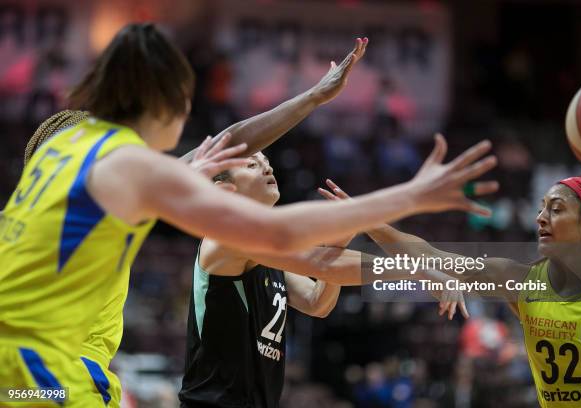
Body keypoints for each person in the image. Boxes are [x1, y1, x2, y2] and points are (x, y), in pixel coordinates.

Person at [0, 23, 496, 406]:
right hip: (48, 376)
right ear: (166, 101)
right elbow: (290, 238)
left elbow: (233, 147)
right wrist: (409, 198)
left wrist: (315, 97)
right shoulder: (128, 166)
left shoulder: (73, 159)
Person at [180, 152, 469, 408]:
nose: (267, 167)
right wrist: (418, 269)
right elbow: (322, 265)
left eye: (267, 162)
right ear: (224, 189)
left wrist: (339, 244)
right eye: (252, 164)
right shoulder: (225, 237)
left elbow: (317, 302)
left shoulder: (266, 256)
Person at [319, 174, 581, 407]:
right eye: (541, 208)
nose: (541, 217)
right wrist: (362, 219)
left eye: (556, 209)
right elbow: (430, 257)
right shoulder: (521, 281)